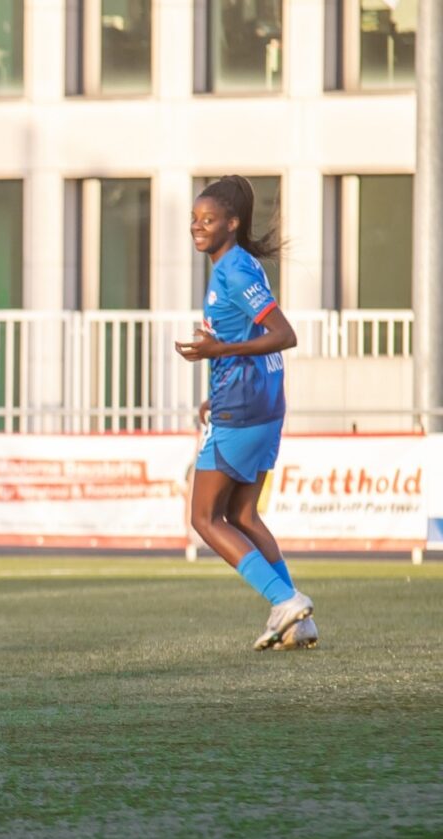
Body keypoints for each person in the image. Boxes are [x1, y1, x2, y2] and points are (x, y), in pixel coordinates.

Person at [176, 175, 316, 651]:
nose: (198, 227)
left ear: (232, 223)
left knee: (205, 517)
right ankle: (298, 620)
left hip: (243, 408)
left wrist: (219, 350)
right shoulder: (241, 265)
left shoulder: (234, 270)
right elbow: (251, 337)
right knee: (242, 514)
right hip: (259, 402)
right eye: (194, 219)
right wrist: (216, 389)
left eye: (208, 219)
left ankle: (284, 600)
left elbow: (284, 334)